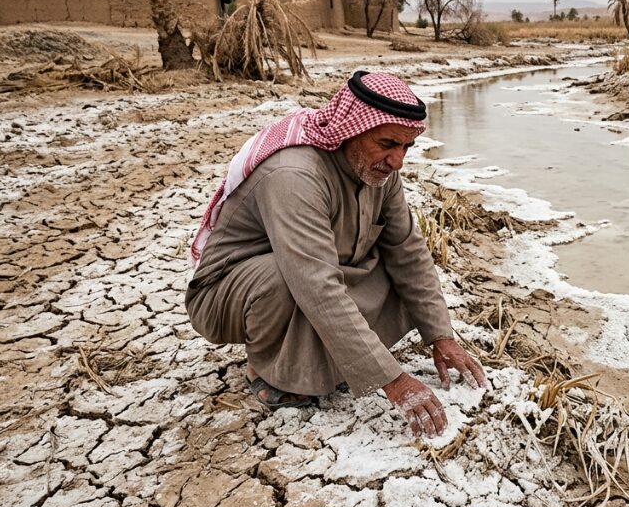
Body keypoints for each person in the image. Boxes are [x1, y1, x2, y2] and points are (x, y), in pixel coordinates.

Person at [184, 71, 485, 438]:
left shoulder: (380, 172)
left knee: (389, 269)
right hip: (231, 295)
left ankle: (332, 361)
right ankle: (265, 369)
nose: (397, 161)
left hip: (314, 274)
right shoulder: (294, 175)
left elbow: (408, 252)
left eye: (405, 148)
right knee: (286, 277)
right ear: (351, 130)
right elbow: (315, 284)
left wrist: (441, 336)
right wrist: (393, 380)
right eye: (387, 143)